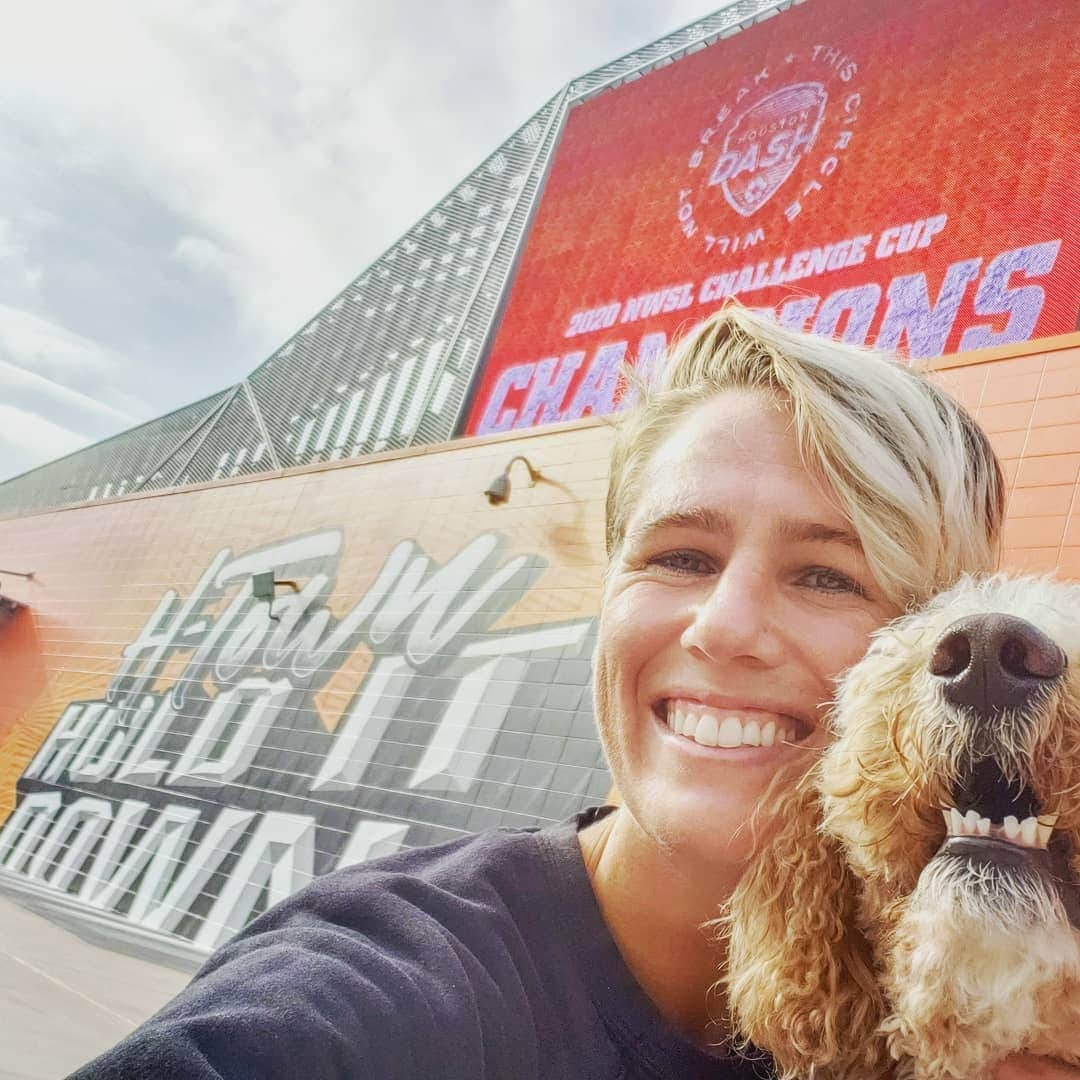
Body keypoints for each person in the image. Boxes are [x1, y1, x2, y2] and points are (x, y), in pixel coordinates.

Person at [71, 306, 1078, 1079]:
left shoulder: (995, 997)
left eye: (827, 575)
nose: (720, 626)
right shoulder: (394, 993)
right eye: (679, 555)